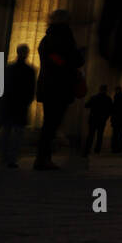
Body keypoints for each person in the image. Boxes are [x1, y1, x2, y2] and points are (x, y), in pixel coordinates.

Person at [34, 9, 84, 171]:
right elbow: (73, 60)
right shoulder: (64, 38)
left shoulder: (46, 39)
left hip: (47, 85)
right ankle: (44, 158)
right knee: (52, 123)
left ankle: (43, 157)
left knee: (49, 123)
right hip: (60, 86)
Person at [1, 44, 36, 168]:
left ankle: (5, 156)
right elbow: (31, 89)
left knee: (8, 131)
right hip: (20, 104)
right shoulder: (30, 70)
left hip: (10, 103)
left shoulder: (9, 68)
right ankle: (11, 158)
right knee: (16, 133)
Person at [84, 84, 113, 155]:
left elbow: (86, 105)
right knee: (100, 136)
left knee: (90, 135)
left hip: (93, 119)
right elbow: (111, 110)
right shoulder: (108, 99)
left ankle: (87, 150)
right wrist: (106, 117)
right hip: (102, 120)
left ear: (99, 89)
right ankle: (97, 150)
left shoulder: (94, 97)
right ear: (106, 90)